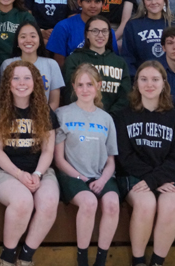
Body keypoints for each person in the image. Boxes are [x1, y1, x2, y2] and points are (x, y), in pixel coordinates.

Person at [116, 61, 175, 266]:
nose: (149, 84)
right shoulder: (124, 116)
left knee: (171, 204)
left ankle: (157, 262)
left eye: (155, 79)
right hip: (135, 175)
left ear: (164, 84)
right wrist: (152, 180)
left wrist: (155, 179)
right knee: (146, 203)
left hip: (170, 177)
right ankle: (138, 260)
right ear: (136, 84)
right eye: (143, 79)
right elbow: (124, 156)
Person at [0, 60, 59, 266]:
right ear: (8, 83)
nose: (21, 82)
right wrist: (19, 174)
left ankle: (26, 257)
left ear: (35, 82)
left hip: (40, 170)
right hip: (6, 171)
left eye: (27, 78)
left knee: (48, 203)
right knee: (22, 201)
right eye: (15, 78)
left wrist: (37, 174)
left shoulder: (45, 112)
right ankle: (7, 257)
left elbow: (48, 150)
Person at [55, 63, 119, 266]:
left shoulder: (106, 119)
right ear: (73, 87)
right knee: (89, 202)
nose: (84, 89)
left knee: (111, 204)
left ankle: (101, 260)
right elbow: (58, 159)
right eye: (80, 85)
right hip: (72, 176)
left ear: (98, 86)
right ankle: (82, 259)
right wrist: (83, 178)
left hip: (100, 175)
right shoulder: (62, 114)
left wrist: (102, 180)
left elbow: (111, 161)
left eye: (89, 84)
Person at [63, 15, 131, 117]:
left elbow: (125, 95)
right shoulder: (74, 60)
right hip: (80, 117)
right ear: (87, 34)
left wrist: (110, 116)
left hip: (113, 119)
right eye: (95, 31)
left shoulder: (119, 62)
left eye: (104, 31)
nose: (100, 35)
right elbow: (69, 92)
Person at [46, 0, 119, 65]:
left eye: (97, 2)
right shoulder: (63, 27)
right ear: (79, 2)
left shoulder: (107, 30)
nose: (93, 6)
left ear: (103, 4)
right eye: (88, 1)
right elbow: (58, 64)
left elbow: (113, 60)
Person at [0, 21, 64, 111]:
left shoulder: (51, 64)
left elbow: (54, 101)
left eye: (33, 36)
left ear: (40, 40)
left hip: (44, 119)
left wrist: (42, 117)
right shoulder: (7, 64)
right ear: (17, 42)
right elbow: (3, 98)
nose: (28, 40)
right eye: (23, 37)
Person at [122, 0, 175, 73]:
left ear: (165, 1)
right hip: (142, 79)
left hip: (171, 79)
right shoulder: (133, 26)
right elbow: (127, 57)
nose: (153, 2)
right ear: (144, 3)